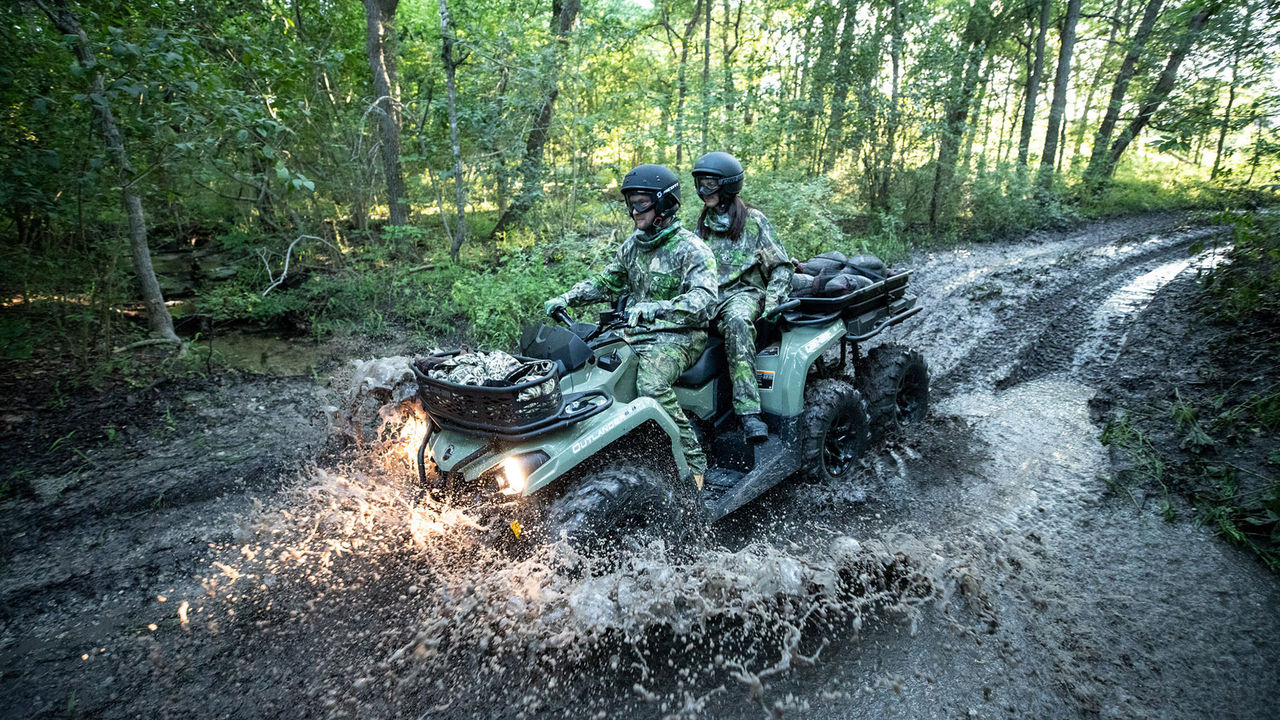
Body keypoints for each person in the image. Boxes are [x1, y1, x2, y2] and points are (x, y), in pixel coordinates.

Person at [544, 164, 718, 488]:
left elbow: (705, 299)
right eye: (630, 203)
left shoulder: (690, 249)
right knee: (586, 369)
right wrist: (568, 297)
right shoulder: (633, 245)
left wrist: (659, 308)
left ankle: (693, 463)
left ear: (663, 206)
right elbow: (607, 282)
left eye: (640, 203)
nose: (632, 211)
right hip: (634, 332)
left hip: (680, 335)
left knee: (650, 385)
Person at [691, 151, 792, 444]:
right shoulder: (701, 225)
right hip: (710, 297)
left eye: (709, 184)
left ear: (728, 186)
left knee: (736, 322)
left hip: (744, 295)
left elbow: (781, 267)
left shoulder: (753, 222)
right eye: (699, 183)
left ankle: (749, 413)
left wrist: (774, 303)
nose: (702, 191)